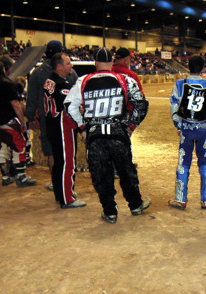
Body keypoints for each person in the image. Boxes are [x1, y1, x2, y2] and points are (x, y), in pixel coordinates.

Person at [64, 47, 150, 223]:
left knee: (101, 175)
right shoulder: (124, 79)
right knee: (126, 171)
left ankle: (110, 212)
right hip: (118, 134)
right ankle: (135, 205)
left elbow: (69, 106)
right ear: (111, 62)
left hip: (95, 137)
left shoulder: (83, 81)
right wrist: (131, 126)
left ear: (95, 63)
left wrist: (82, 129)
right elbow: (141, 104)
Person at [25, 40, 78, 191]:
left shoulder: (37, 73)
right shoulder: (71, 73)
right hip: (67, 119)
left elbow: (32, 98)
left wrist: (30, 118)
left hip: (46, 118)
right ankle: (66, 185)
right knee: (67, 152)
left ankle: (56, 183)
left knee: (51, 152)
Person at [0, 60, 37, 187]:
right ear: (3, 70)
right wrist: (22, 121)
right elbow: (15, 104)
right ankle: (21, 177)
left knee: (1, 148)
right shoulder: (7, 83)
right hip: (8, 122)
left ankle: (5, 177)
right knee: (19, 147)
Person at [168, 55, 206, 209]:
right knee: (205, 162)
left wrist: (179, 126)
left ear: (188, 66)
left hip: (186, 129)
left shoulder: (180, 84)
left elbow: (174, 107)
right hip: (202, 130)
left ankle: (180, 198)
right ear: (203, 69)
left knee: (184, 162)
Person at [43, 53, 86, 209]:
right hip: (62, 128)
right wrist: (81, 127)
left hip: (52, 126)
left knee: (59, 162)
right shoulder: (61, 84)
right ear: (59, 66)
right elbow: (69, 109)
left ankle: (60, 193)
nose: (71, 66)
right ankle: (67, 198)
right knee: (67, 162)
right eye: (68, 63)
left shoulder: (49, 81)